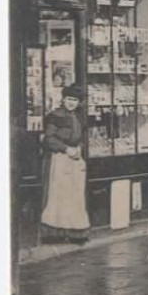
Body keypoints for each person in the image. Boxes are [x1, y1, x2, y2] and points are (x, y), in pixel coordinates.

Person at [40, 84, 89, 244]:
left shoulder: (79, 117)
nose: (71, 103)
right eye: (69, 99)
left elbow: (83, 137)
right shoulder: (55, 116)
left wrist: (79, 148)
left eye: (74, 100)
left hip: (75, 159)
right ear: (63, 99)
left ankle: (74, 231)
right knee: (59, 195)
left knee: (75, 195)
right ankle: (56, 232)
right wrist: (65, 148)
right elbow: (49, 138)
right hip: (59, 158)